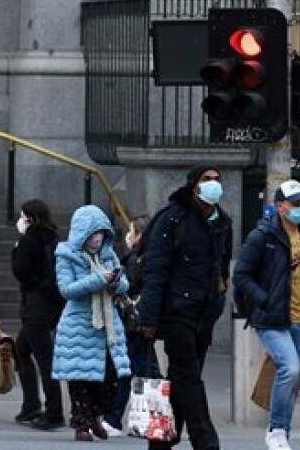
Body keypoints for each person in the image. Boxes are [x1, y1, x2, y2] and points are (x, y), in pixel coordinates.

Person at [136, 165, 233, 450]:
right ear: (194, 185)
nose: (213, 184)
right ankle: (206, 441)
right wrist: (149, 318)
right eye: (207, 180)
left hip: (204, 312)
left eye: (217, 179)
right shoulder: (172, 220)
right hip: (176, 310)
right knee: (188, 376)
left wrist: (217, 301)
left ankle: (161, 441)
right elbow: (155, 270)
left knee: (182, 380)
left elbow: (222, 268)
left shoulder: (222, 222)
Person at [233, 180, 300, 450]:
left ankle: (282, 432)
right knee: (289, 368)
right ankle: (275, 429)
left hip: (298, 316)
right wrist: (264, 299)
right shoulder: (262, 236)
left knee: (293, 376)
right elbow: (241, 275)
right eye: (295, 203)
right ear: (279, 206)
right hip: (271, 317)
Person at [52, 204, 132, 442]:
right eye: (93, 233)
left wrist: (116, 282)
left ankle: (97, 417)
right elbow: (67, 289)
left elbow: (124, 284)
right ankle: (82, 423)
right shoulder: (66, 255)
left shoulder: (108, 255)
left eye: (101, 233)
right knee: (80, 379)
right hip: (79, 324)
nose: (97, 238)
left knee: (109, 377)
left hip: (107, 326)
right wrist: (99, 279)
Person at [10, 199, 66, 431]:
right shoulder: (53, 239)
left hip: (36, 306)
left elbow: (21, 272)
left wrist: (16, 249)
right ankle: (31, 404)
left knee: (45, 360)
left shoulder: (29, 241)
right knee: (20, 350)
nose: (20, 221)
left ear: (30, 218)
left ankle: (54, 413)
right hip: (52, 304)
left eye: (23, 216)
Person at [102, 214, 159, 437]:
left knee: (129, 369)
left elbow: (131, 288)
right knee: (145, 369)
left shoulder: (137, 260)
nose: (128, 236)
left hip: (133, 323)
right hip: (140, 322)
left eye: (132, 231)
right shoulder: (146, 259)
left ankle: (115, 418)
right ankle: (153, 417)